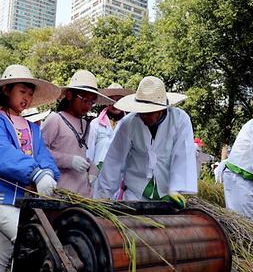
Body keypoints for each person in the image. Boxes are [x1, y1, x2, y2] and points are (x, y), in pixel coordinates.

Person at [0, 65, 63, 272]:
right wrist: (35, 173)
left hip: (22, 200)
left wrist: (49, 172)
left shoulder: (33, 128)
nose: (27, 97)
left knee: (0, 254)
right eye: (22, 91)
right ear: (6, 90)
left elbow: (43, 155)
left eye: (30, 93)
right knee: (29, 245)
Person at [95, 76, 197, 206]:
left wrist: (176, 189)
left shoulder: (180, 120)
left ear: (161, 109)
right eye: (141, 112)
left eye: (148, 113)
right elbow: (114, 160)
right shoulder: (128, 123)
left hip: (167, 193)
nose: (143, 116)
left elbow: (183, 156)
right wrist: (102, 198)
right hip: (134, 192)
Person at [41, 70, 113, 198]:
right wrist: (68, 160)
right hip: (60, 194)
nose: (88, 106)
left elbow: (80, 154)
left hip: (83, 195)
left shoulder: (86, 124)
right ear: (69, 95)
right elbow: (39, 152)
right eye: (85, 100)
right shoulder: (55, 119)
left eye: (92, 102)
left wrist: (91, 167)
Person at [87, 83, 133, 170]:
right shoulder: (95, 123)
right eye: (110, 100)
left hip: (122, 175)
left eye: (118, 100)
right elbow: (89, 151)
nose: (114, 103)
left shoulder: (131, 125)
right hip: (97, 173)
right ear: (106, 102)